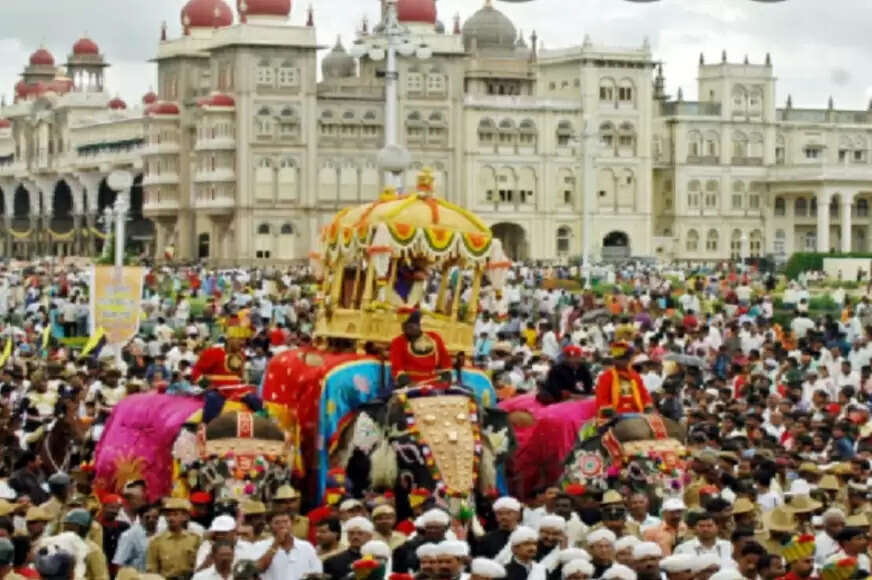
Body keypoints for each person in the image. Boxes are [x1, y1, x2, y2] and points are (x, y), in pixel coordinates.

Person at [594, 342, 654, 424]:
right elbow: (602, 399)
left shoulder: (635, 376)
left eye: (622, 359)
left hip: (637, 413)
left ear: (629, 359)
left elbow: (644, 394)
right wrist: (612, 414)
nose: (618, 361)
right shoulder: (606, 376)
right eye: (616, 358)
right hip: (615, 415)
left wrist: (648, 408)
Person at [389, 311, 452, 388]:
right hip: (410, 385)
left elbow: (445, 363)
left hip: (434, 382)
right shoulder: (398, 342)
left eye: (410, 326)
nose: (405, 329)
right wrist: (409, 383)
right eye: (404, 326)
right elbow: (397, 368)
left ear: (418, 325)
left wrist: (446, 380)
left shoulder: (434, 338)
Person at [254, 511, 321, 580]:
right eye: (277, 523)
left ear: (291, 523)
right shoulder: (260, 546)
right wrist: (276, 543)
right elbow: (258, 569)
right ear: (269, 525)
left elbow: (317, 572)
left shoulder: (306, 546)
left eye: (286, 522)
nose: (282, 526)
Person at [147, 498, 202, 579]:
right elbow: (152, 569)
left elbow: (200, 565)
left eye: (175, 514)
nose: (171, 518)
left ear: (185, 517)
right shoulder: (156, 541)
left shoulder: (195, 539)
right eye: (168, 515)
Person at [63, 509, 109, 580]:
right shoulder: (61, 545)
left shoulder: (93, 550)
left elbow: (101, 577)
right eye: (65, 526)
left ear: (81, 528)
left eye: (69, 526)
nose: (65, 529)